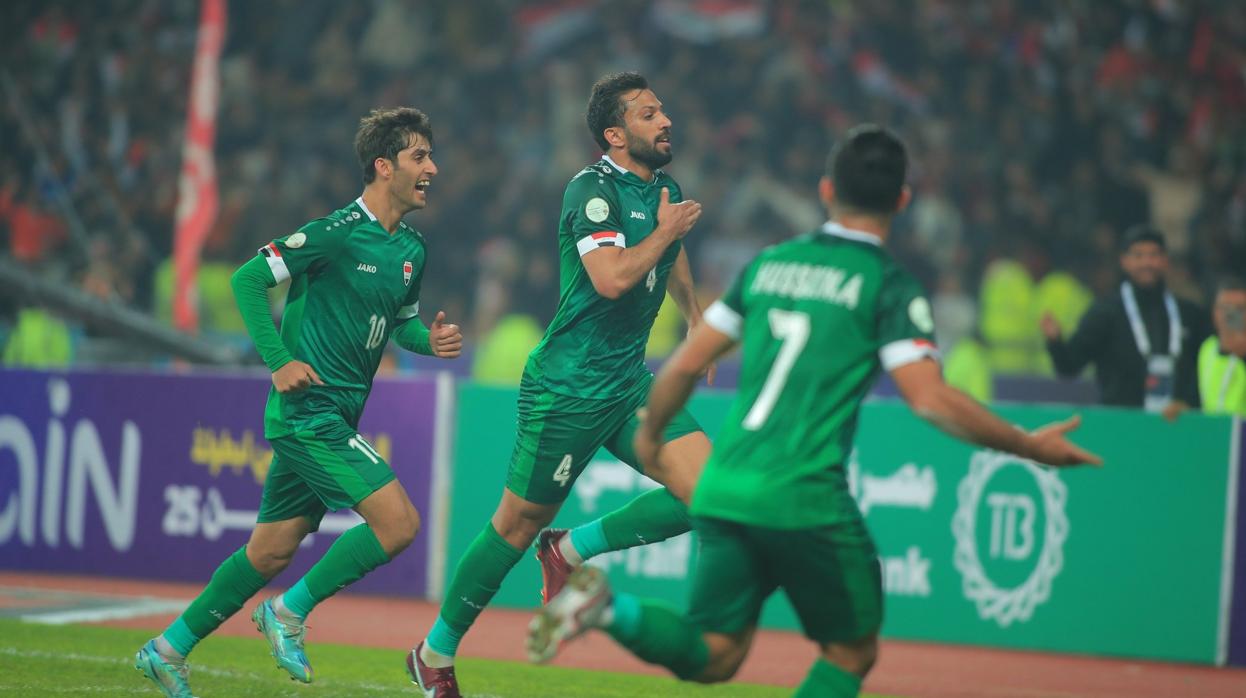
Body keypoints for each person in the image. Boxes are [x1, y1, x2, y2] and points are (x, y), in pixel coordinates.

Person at [526, 124, 1102, 698]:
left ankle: (607, 609)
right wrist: (1026, 445)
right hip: (804, 493)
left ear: (827, 191)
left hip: (727, 485)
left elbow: (681, 365)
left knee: (714, 654)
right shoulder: (889, 285)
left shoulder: (771, 264)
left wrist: (651, 435)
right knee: (852, 650)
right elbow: (929, 398)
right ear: (902, 200)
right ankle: (602, 602)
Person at [135, 107, 462, 697]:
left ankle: (167, 649)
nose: (432, 168)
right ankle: (288, 613)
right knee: (399, 523)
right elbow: (247, 280)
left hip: (335, 416)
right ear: (384, 167)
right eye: (420, 157)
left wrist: (429, 342)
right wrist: (279, 361)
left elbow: (399, 326)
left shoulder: (412, 249)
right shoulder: (335, 233)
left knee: (269, 550)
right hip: (309, 414)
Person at [407, 72, 713, 698]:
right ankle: (432, 653)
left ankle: (570, 550)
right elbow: (610, 279)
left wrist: (695, 315)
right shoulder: (590, 191)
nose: (666, 121)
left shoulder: (663, 188)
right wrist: (667, 232)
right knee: (514, 525)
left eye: (663, 111)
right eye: (650, 114)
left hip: (627, 381)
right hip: (568, 387)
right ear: (615, 133)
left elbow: (670, 255)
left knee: (710, 493)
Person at [1041, 225, 1210, 417]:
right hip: (1121, 427)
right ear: (1124, 261)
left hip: (1177, 426)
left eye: (1154, 255)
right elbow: (1069, 367)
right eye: (1138, 255)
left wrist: (1190, 402)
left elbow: (1208, 369)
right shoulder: (1105, 313)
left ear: (1165, 261)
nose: (1147, 262)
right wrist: (1055, 342)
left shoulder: (1190, 314)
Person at [1198, 276, 1246, 416]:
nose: (1230, 315)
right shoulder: (1207, 348)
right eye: (1225, 308)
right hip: (1214, 432)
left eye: (1239, 309)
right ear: (1214, 312)